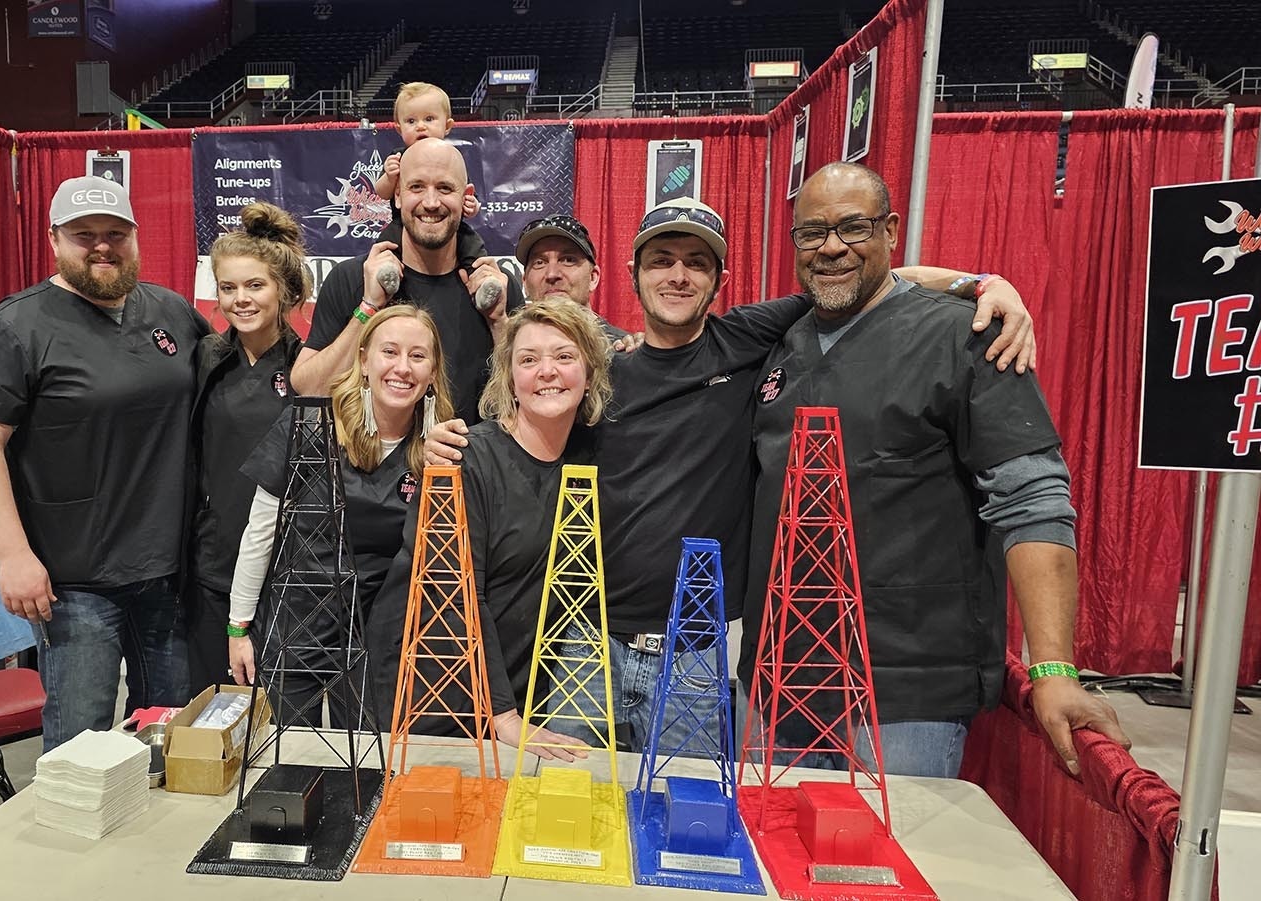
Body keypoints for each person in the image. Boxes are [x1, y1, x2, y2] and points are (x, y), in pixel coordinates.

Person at [429, 195, 1037, 757]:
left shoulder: (745, 338)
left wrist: (980, 283)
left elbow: (870, 283)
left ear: (719, 281)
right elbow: (519, 423)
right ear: (633, 274)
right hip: (587, 646)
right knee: (559, 820)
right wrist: (445, 442)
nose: (677, 275)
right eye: (661, 260)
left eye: (696, 263)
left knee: (684, 827)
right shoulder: (598, 368)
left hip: (699, 656)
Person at [742, 162, 1130, 778]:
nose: (832, 247)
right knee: (774, 863)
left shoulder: (968, 335)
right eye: (812, 233)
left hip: (907, 693)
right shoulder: (779, 345)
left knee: (885, 869)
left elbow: (1034, 503)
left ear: (891, 230)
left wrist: (1054, 669)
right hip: (782, 678)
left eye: (853, 227)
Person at [0, 175, 208, 750]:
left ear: (136, 237)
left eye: (115, 233)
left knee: (172, 745)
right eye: (83, 234)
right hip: (75, 583)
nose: (101, 246)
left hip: (170, 574)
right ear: (54, 240)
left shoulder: (170, 312)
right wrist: (13, 556)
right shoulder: (15, 327)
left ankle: (162, 846)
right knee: (81, 755)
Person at [367, 298, 612, 761]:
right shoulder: (464, 459)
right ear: (509, 379)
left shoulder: (585, 457)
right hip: (428, 685)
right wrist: (500, 713)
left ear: (589, 373)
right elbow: (452, 591)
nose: (547, 371)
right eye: (528, 359)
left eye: (564, 356)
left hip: (506, 684)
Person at [227, 306, 455, 726]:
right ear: (364, 360)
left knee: (369, 769)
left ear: (433, 370)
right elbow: (260, 531)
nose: (402, 368)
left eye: (418, 356)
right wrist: (237, 628)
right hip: (298, 622)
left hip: (381, 633)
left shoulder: (442, 448)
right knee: (290, 765)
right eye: (389, 352)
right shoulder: (310, 425)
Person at [293, 138, 522, 423]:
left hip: (470, 464)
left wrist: (499, 324)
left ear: (466, 196)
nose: (431, 202)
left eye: (445, 188)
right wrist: (369, 307)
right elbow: (309, 387)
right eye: (416, 187)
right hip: (373, 464)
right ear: (397, 195)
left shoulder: (500, 288)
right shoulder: (352, 278)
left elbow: (523, 402)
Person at [185, 202, 310, 696]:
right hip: (214, 568)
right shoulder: (206, 358)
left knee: (282, 729)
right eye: (229, 288)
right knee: (212, 719)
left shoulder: (308, 368)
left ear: (284, 290)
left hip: (287, 575)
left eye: (255, 286)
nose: (240, 300)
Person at [372, 81, 481, 223]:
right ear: (399, 129)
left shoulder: (452, 158)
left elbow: (469, 193)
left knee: (472, 243)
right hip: (404, 226)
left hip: (448, 226)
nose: (420, 126)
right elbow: (382, 194)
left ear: (447, 126)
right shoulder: (398, 157)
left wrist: (473, 206)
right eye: (411, 121)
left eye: (429, 119)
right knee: (384, 243)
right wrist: (390, 177)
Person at [514, 213, 629, 340]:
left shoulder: (623, 352)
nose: (552, 274)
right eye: (539, 263)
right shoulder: (513, 350)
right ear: (524, 282)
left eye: (568, 260)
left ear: (593, 277)